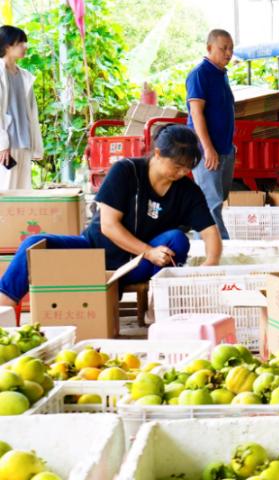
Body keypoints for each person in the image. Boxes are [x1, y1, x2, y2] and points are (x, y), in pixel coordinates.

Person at [0, 125, 222, 310]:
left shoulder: (187, 190)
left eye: (187, 168)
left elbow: (210, 231)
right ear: (157, 153)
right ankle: (5, 307)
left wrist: (210, 263)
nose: (182, 173)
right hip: (94, 253)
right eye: (177, 166)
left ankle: (159, 308)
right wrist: (149, 251)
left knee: (177, 239)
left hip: (139, 265)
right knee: (33, 244)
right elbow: (108, 226)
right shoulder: (125, 170)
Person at [186, 29, 236, 237]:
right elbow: (196, 114)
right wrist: (208, 148)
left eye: (231, 49)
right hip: (207, 151)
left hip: (225, 149)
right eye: (223, 48)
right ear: (209, 48)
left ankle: (206, 245)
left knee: (218, 198)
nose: (228, 53)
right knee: (211, 203)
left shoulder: (222, 75)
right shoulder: (199, 74)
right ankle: (220, 250)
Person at [0, 26, 42, 190]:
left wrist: (36, 146)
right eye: (20, 42)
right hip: (6, 145)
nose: (25, 46)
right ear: (7, 45)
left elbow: (31, 115)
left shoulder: (25, 76)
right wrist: (2, 144)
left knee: (23, 193)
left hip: (24, 143)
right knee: (5, 192)